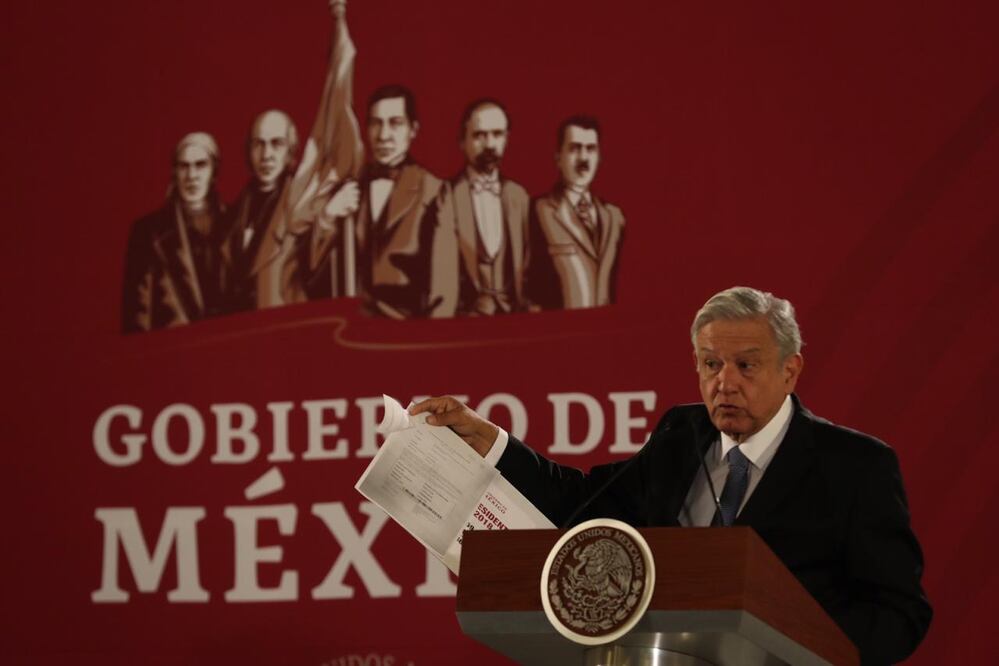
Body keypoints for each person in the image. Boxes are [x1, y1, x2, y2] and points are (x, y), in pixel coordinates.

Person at [411, 286, 932, 664]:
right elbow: (585, 505)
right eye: (710, 364)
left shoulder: (856, 466)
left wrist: (804, 650)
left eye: (745, 366)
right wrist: (489, 442)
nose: (724, 383)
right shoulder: (680, 435)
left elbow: (899, 613)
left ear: (790, 369)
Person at [354, 84, 457, 318]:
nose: (383, 135)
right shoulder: (350, 186)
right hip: (350, 329)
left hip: (404, 332)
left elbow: (443, 293)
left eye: (395, 123)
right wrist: (329, 216)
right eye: (375, 123)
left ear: (413, 129)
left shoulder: (433, 190)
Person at [121, 132, 227, 333]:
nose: (191, 176)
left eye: (200, 165)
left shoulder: (234, 222)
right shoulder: (148, 232)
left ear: (214, 171)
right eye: (184, 166)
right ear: (174, 172)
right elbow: (138, 316)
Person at [436, 99, 531, 315]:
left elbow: (529, 266)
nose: (489, 144)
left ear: (507, 139)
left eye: (497, 134)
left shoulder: (519, 197)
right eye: (479, 135)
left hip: (515, 318)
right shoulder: (446, 196)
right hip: (465, 321)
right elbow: (439, 275)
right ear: (462, 141)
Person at [528, 115, 624, 310]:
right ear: (558, 157)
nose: (583, 158)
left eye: (590, 149)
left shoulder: (614, 218)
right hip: (557, 333)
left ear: (599, 156)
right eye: (574, 148)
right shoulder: (538, 211)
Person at [221, 110, 299, 313]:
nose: (266, 155)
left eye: (277, 144)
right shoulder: (233, 212)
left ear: (290, 151)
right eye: (259, 144)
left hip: (283, 329)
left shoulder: (301, 206)